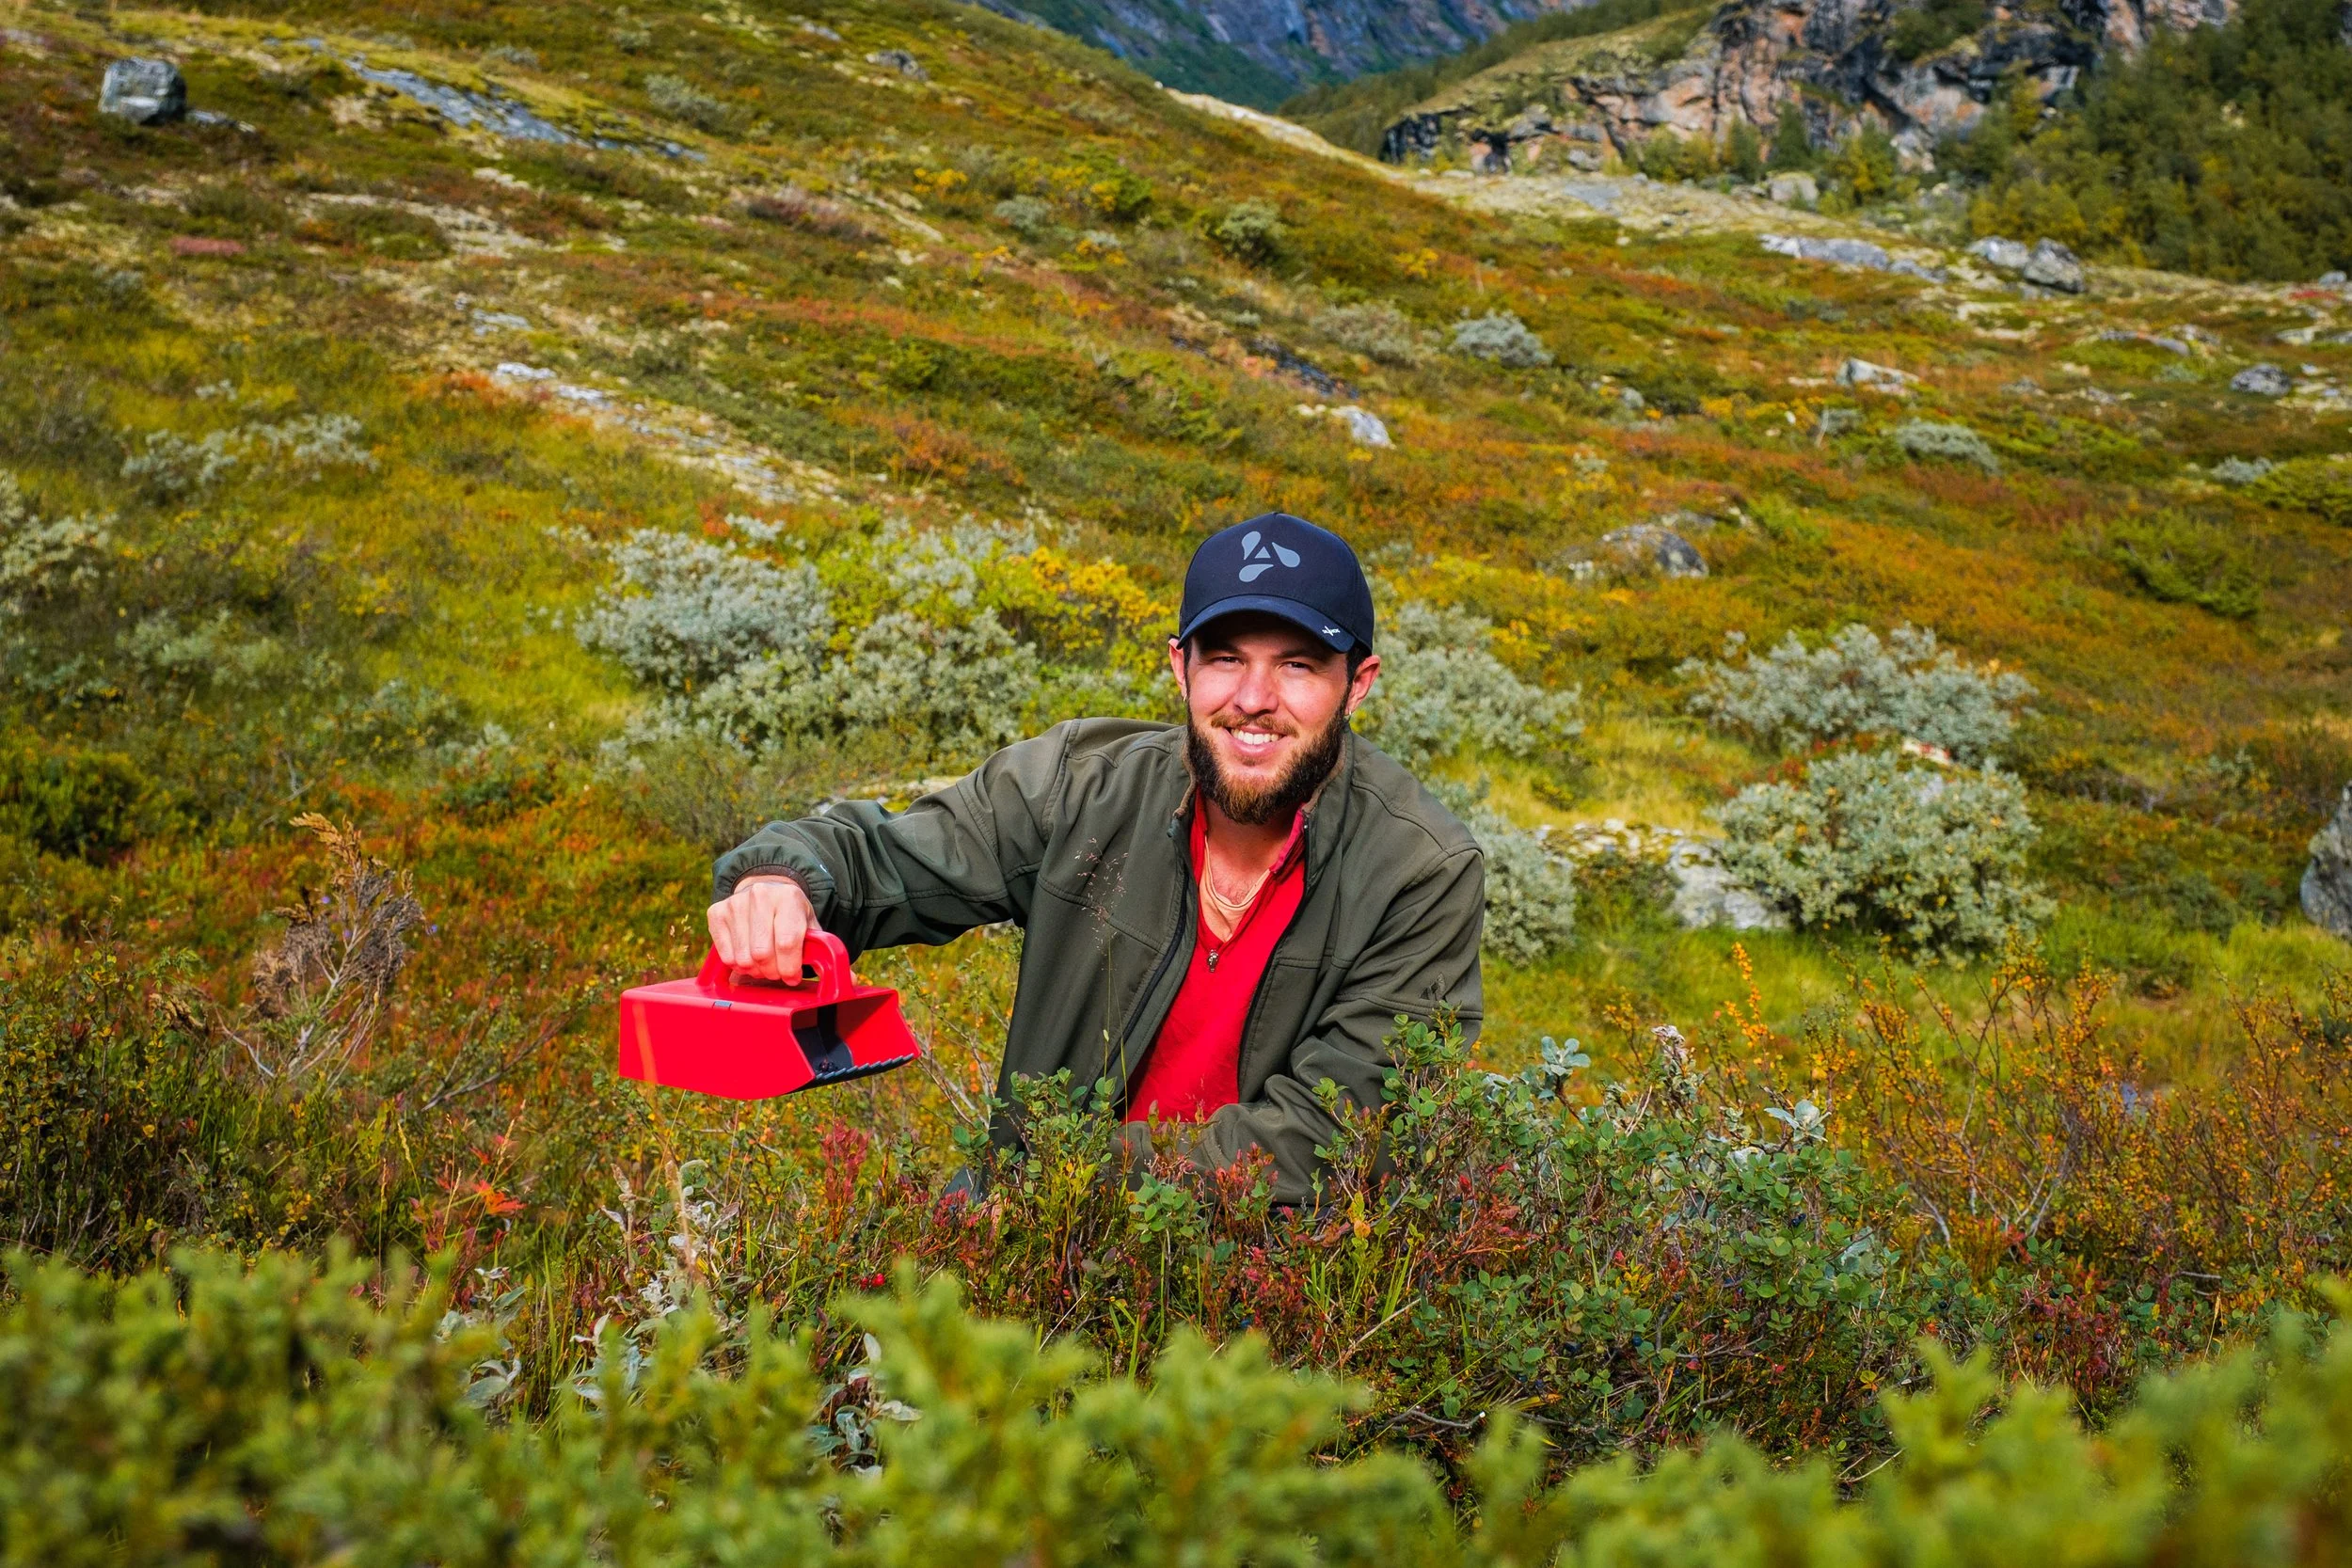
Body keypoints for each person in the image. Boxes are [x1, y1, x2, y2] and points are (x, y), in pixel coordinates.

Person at [705, 513, 1485, 1205]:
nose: (1253, 697)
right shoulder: (1082, 785)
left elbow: (1334, 1132)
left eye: (1298, 665)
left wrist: (1064, 1176)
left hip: (1262, 1286)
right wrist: (781, 877)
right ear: (1180, 666)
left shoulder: (1420, 869)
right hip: (1029, 1242)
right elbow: (885, 858)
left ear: (1358, 684)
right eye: (1225, 658)